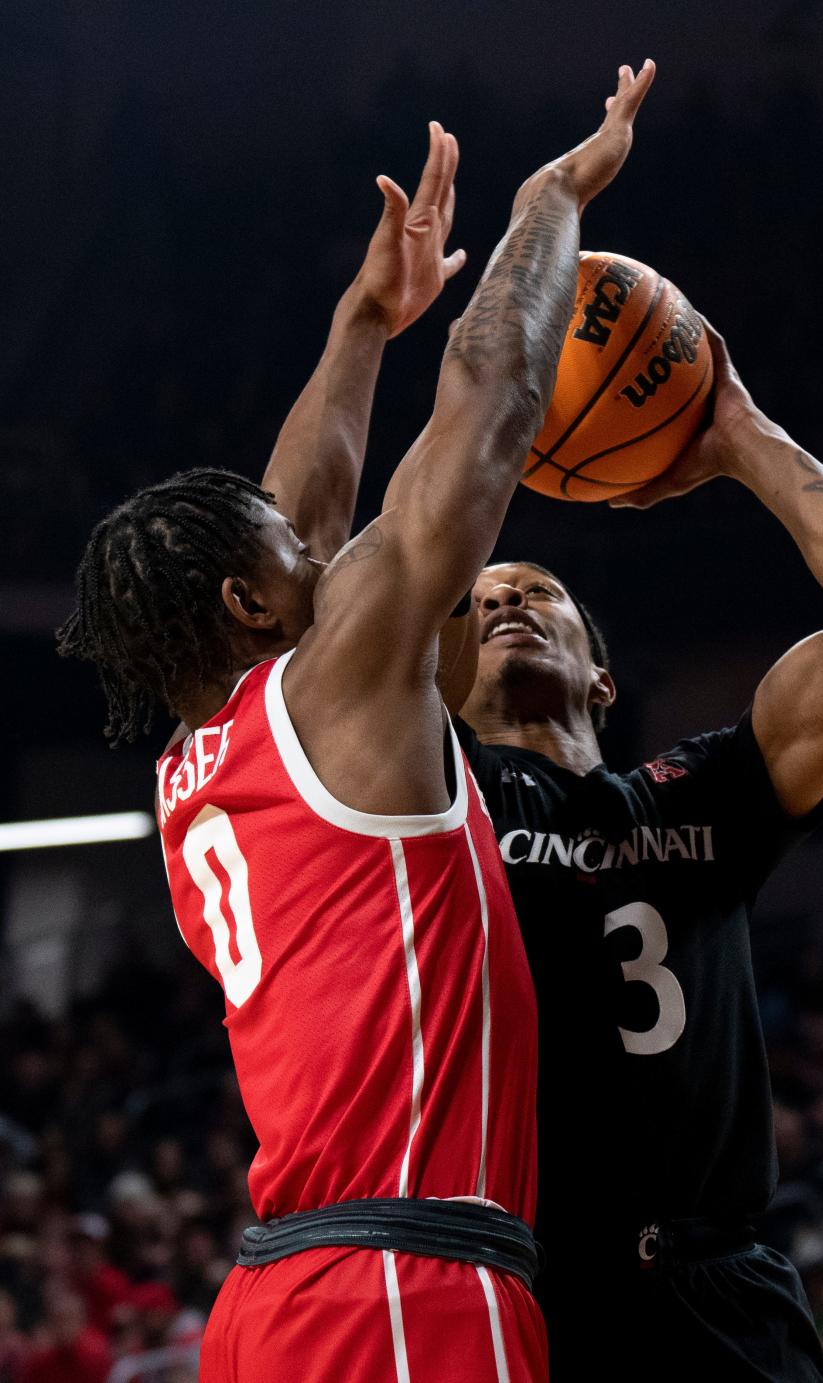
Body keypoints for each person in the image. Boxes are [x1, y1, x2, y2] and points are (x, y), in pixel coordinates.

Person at [56, 61, 657, 1383]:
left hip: (282, 1300)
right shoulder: (329, 683)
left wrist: (360, 323)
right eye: (290, 558)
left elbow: (304, 515)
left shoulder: (196, 768)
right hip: (406, 1289)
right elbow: (493, 409)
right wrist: (551, 201)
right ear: (246, 602)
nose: (320, 552)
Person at [451, 321, 823, 1379]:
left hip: (723, 1291)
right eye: (481, 599)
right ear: (443, 689)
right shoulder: (435, 794)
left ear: (603, 680)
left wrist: (736, 432)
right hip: (535, 1295)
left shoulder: (701, 794)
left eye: (536, 589)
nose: (504, 601)